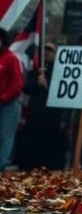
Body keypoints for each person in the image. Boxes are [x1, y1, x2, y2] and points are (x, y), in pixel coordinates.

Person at [16, 42, 67, 170]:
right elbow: (26, 88)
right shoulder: (37, 70)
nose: (47, 53)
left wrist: (47, 86)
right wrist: (37, 83)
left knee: (52, 146)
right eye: (45, 50)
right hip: (35, 115)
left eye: (50, 50)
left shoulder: (63, 71)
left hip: (54, 115)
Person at [0, 28, 24, 170]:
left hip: (8, 105)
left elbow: (17, 85)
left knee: (5, 136)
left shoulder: (11, 58)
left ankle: (1, 166)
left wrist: (3, 98)